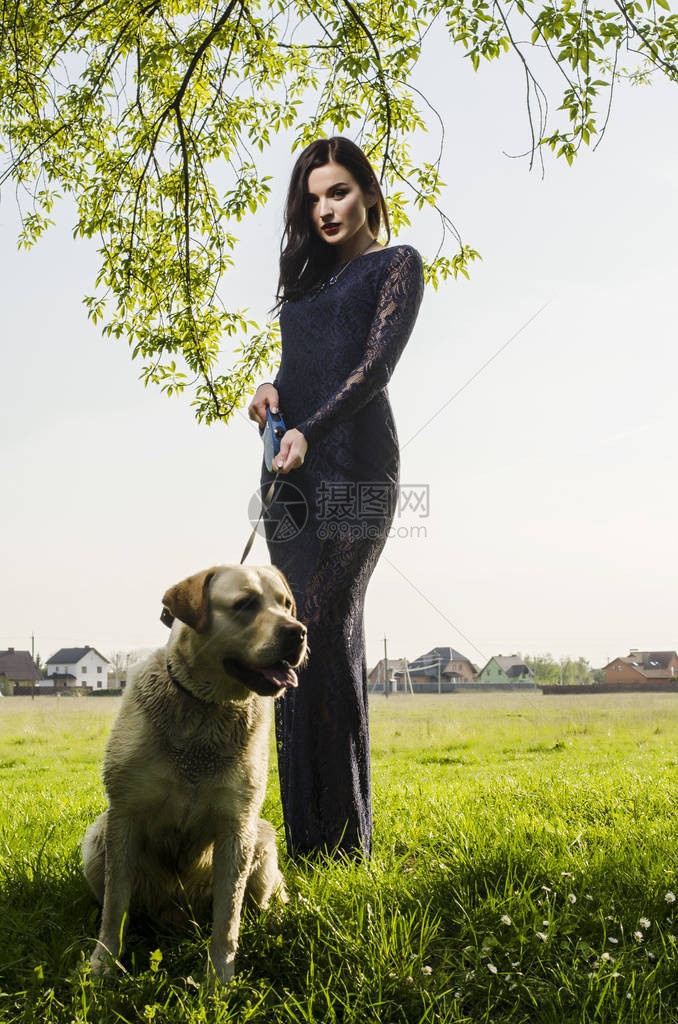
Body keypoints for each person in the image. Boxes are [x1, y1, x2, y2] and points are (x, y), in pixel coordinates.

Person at [247, 136, 424, 860]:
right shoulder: (306, 287)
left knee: (323, 621)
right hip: (291, 478)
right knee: (289, 645)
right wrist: (270, 393)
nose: (324, 208)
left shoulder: (398, 265)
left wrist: (310, 433)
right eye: (313, 197)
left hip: (357, 472)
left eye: (339, 191)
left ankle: (346, 843)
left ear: (368, 194)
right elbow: (301, 372)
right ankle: (306, 841)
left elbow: (374, 370)